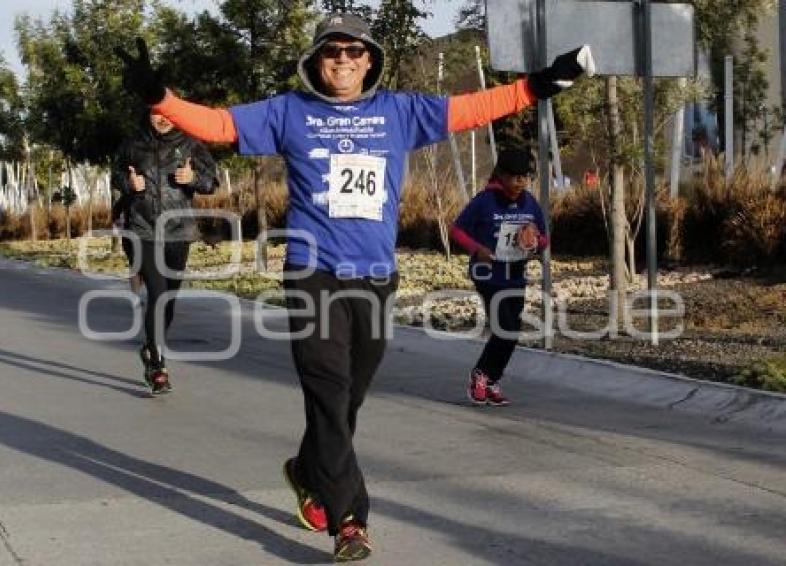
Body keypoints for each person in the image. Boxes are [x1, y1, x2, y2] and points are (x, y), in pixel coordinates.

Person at [117, 13, 593, 561]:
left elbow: (474, 109)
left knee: (347, 400)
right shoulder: (289, 112)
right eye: (332, 51)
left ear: (370, 60)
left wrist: (541, 83)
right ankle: (350, 520)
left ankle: (306, 469)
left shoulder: (399, 112)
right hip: (312, 274)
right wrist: (161, 98)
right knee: (327, 390)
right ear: (317, 61)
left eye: (353, 51)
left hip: (373, 278)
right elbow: (219, 125)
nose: (343, 59)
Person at [111, 109, 218, 395]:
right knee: (157, 294)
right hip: (142, 229)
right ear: (148, 114)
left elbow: (211, 182)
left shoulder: (192, 143)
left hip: (178, 232)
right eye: (157, 113)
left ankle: (149, 347)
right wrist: (128, 184)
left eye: (168, 112)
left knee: (168, 299)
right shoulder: (132, 144)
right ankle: (158, 367)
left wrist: (193, 177)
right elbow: (116, 177)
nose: (163, 118)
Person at [450, 148, 548, 406]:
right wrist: (477, 249)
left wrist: (535, 241)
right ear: (501, 176)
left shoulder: (529, 202)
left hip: (515, 275)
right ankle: (481, 374)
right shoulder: (484, 201)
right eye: (515, 177)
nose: (520, 183)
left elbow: (544, 238)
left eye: (524, 177)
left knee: (512, 331)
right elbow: (457, 230)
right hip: (489, 276)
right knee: (504, 328)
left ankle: (491, 380)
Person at [111, 191, 144, 300]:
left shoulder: (127, 194)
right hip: (133, 236)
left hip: (137, 235)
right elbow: (115, 213)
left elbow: (115, 213)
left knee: (139, 266)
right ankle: (136, 295)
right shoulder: (128, 195)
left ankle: (136, 294)